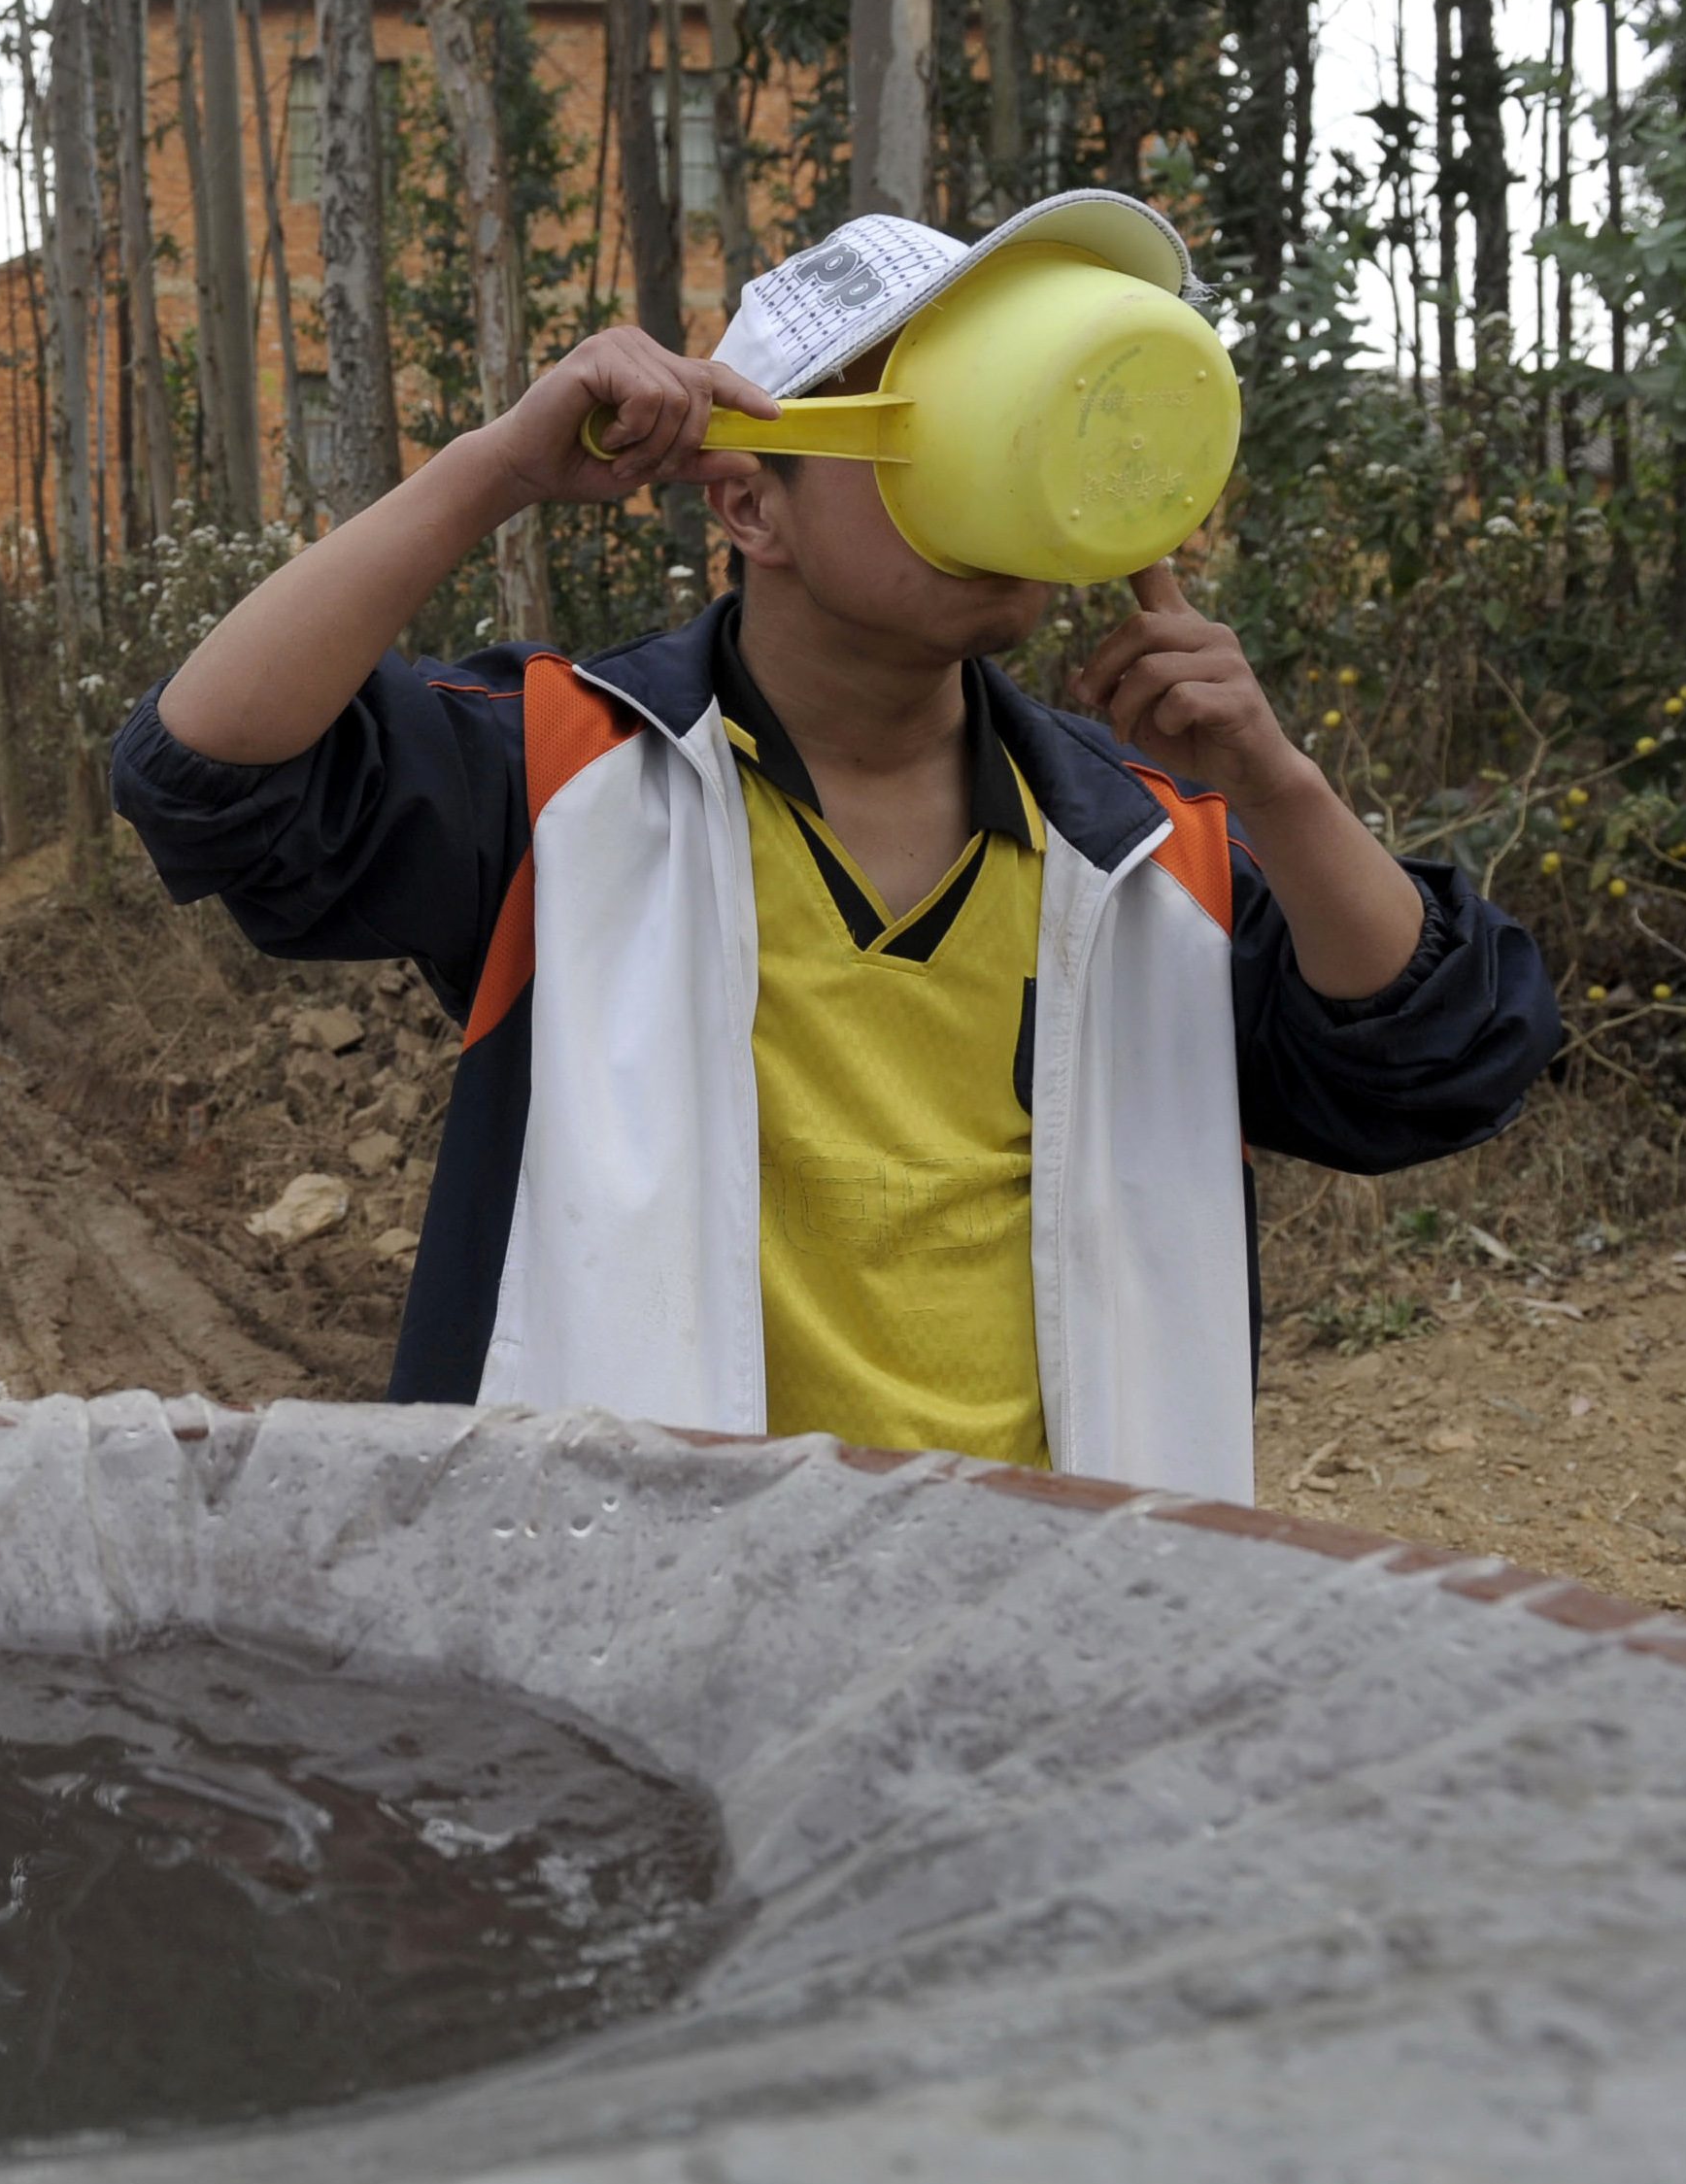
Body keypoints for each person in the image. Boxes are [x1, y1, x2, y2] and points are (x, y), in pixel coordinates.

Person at [108, 194, 1560, 1507]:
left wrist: (1275, 785)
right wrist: (493, 468)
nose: (1009, 465)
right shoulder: (566, 773)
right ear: (750, 499)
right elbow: (204, 775)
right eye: (942, 422)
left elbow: (1435, 1060)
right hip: (644, 1617)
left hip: (1053, 1633)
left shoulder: (1137, 843)